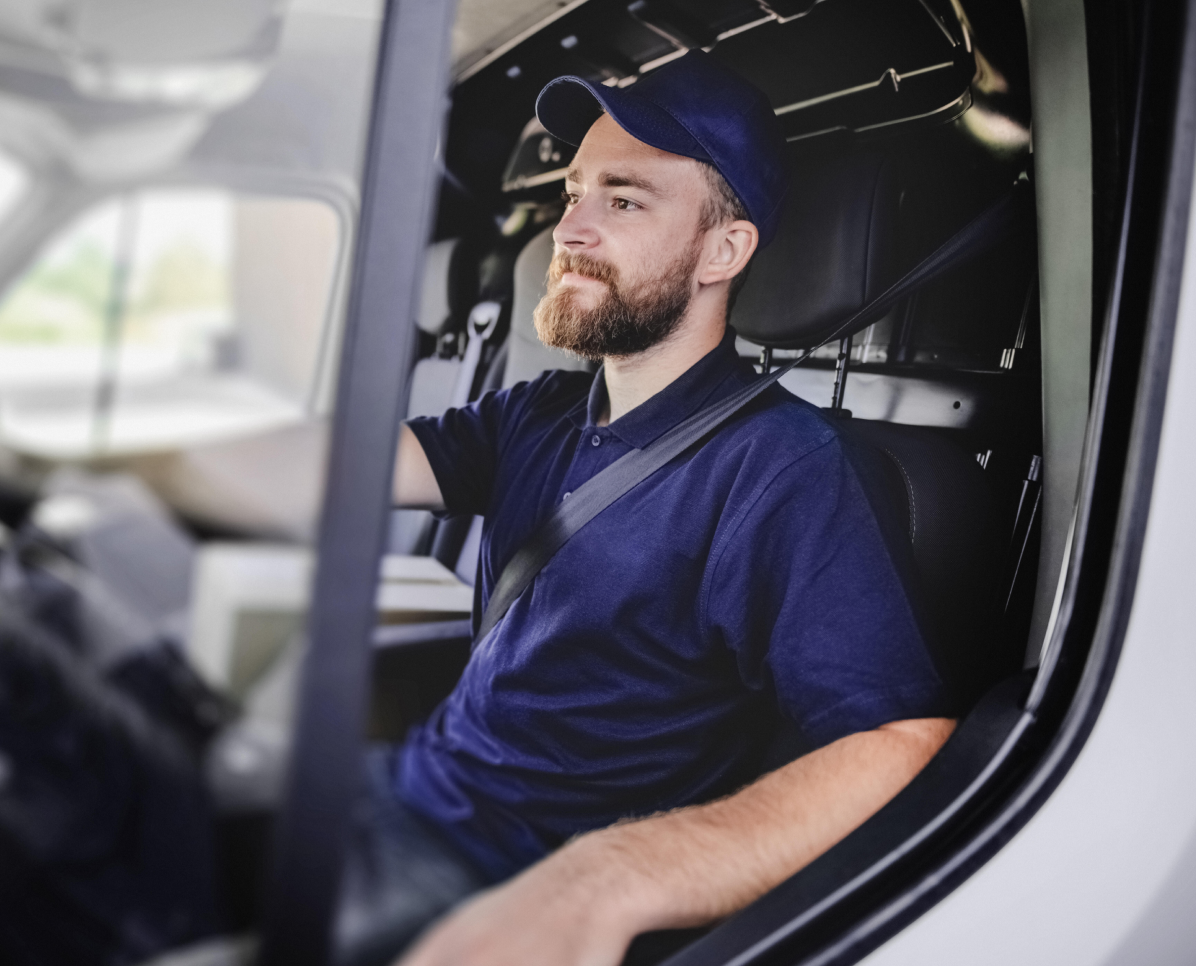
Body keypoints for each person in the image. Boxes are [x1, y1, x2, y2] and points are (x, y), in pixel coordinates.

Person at [334, 51, 957, 966]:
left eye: (623, 201)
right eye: (574, 192)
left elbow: (901, 741)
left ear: (722, 251)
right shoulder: (546, 408)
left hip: (500, 877)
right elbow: (340, 466)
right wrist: (153, 451)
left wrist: (611, 876)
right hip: (401, 791)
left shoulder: (785, 468)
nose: (569, 228)